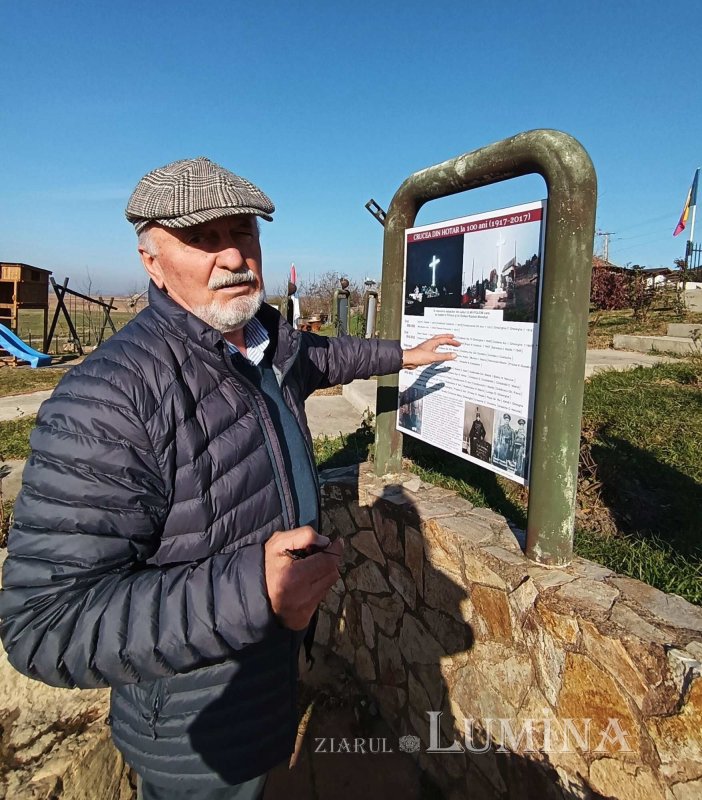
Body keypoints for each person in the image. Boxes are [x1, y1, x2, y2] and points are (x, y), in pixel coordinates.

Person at [0, 157, 459, 800]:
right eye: (201, 238)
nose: (232, 257)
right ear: (152, 262)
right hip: (195, 730)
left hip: (268, 683)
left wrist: (404, 355)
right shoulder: (109, 398)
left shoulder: (269, 341)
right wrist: (251, 590)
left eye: (243, 233)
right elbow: (44, 623)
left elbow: (329, 356)